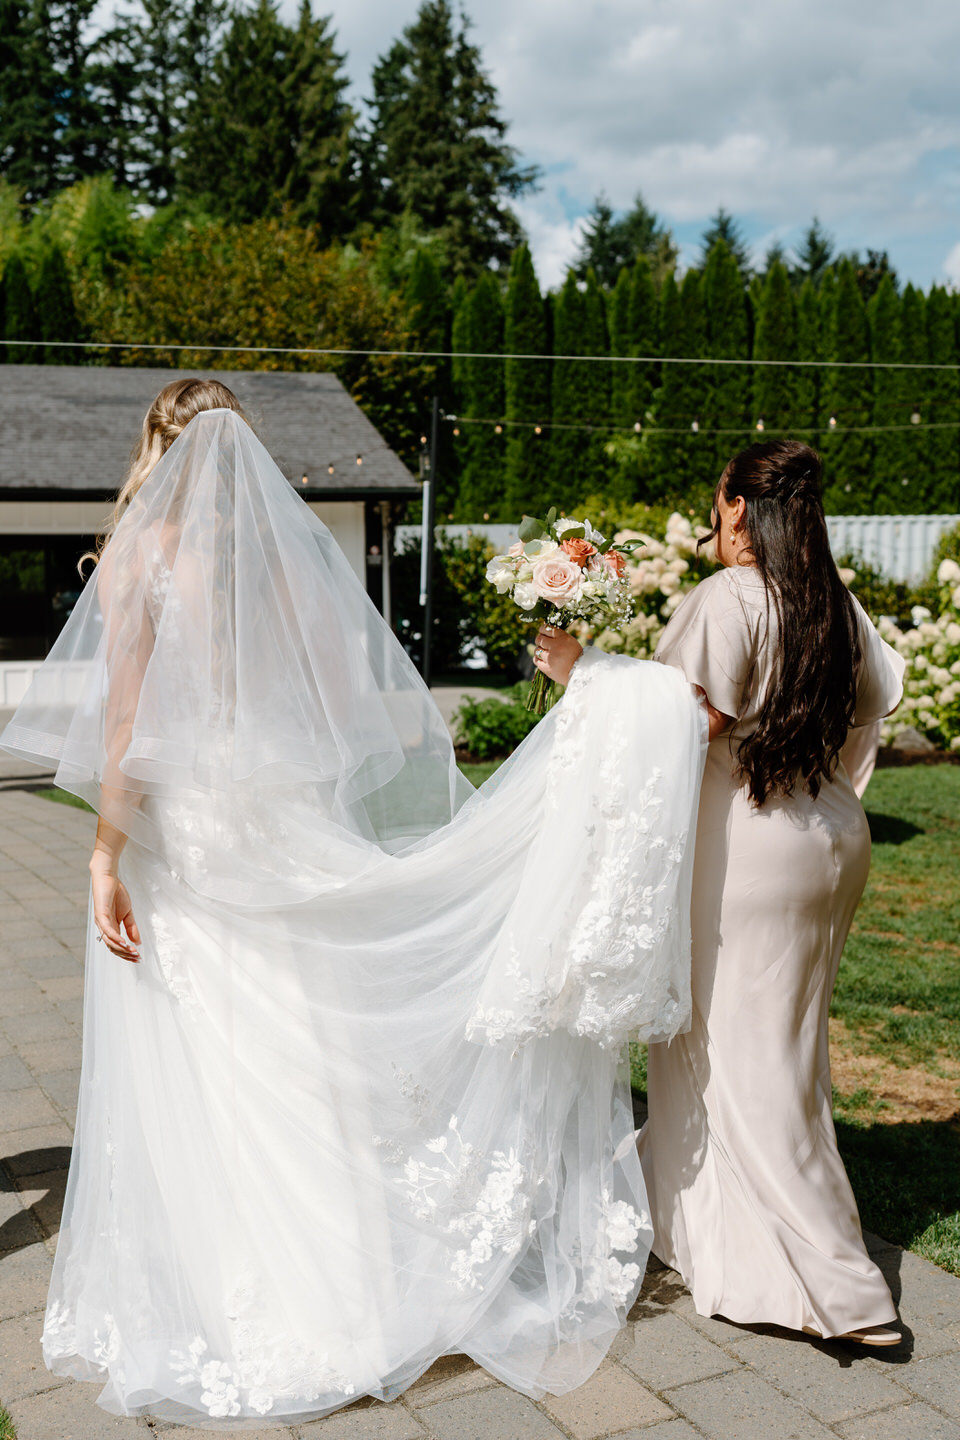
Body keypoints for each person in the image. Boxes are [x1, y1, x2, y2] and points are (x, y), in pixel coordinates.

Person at [2, 379, 707, 1426]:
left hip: (189, 834)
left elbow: (124, 727)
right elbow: (342, 701)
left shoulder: (139, 555)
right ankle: (357, 1282)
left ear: (157, 447)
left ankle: (235, 1289)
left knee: (203, 1046)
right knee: (300, 1039)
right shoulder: (283, 557)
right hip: (275, 812)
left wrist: (106, 852)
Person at [535, 440, 904, 1346]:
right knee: (778, 1045)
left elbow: (690, 720)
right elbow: (872, 708)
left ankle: (843, 1291)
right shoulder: (835, 602)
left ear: (738, 506)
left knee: (745, 1057)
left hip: (752, 845)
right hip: (832, 837)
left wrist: (584, 672)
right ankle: (697, 1227)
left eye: (718, 500)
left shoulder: (731, 597)